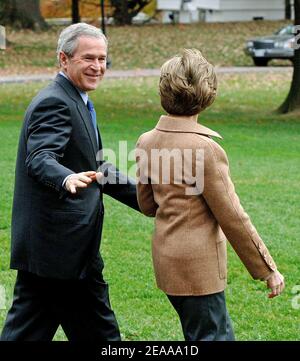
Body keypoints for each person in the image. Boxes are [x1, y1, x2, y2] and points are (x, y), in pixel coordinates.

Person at [1, 23, 139, 341]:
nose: (98, 66)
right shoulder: (56, 102)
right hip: (60, 251)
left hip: (66, 250)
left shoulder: (78, 99)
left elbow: (96, 166)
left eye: (103, 59)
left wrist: (148, 197)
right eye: (88, 58)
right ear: (64, 59)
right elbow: (40, 158)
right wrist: (65, 178)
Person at [135, 49, 285, 341]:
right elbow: (233, 218)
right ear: (208, 94)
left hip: (166, 262)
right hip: (197, 270)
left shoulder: (146, 141)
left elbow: (147, 204)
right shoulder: (205, 149)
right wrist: (268, 269)